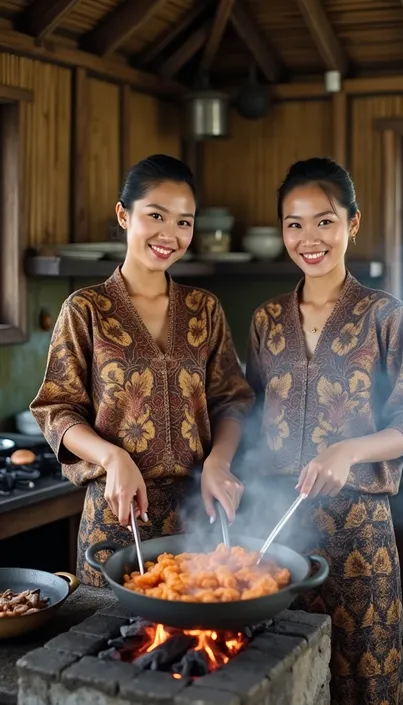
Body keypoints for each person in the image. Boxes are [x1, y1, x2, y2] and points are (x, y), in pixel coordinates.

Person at [244, 157, 403, 704]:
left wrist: (348, 451)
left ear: (352, 224)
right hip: (278, 532)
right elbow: (250, 411)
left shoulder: (384, 315)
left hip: (360, 539)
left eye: (324, 221)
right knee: (279, 679)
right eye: (294, 223)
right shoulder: (265, 320)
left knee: (362, 684)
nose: (309, 238)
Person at [30, 154, 254, 586]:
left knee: (200, 644)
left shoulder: (203, 309)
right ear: (123, 214)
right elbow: (57, 409)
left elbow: (232, 399)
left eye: (184, 222)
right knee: (109, 646)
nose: (170, 235)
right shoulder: (86, 309)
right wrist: (112, 456)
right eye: (156, 215)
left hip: (199, 519)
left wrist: (219, 463)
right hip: (116, 520)